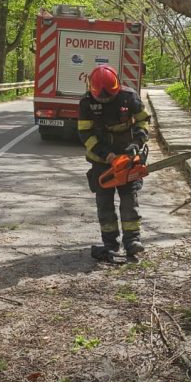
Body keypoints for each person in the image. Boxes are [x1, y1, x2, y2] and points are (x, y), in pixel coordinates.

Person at [78, 65, 150, 256]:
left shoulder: (129, 97)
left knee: (129, 200)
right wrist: (106, 155)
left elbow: (143, 120)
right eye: (101, 98)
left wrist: (137, 142)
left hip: (128, 158)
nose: (105, 99)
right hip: (101, 162)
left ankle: (132, 240)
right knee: (104, 203)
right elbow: (85, 133)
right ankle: (110, 244)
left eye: (108, 96)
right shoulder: (86, 103)